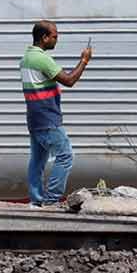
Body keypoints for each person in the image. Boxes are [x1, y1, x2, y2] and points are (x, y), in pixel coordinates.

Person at [20, 20, 92, 206]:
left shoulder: (26, 57)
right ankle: (51, 201)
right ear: (44, 37)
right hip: (47, 118)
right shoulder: (41, 59)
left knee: (37, 160)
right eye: (54, 37)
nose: (56, 40)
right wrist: (84, 61)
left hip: (34, 118)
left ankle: (36, 201)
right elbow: (69, 80)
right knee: (65, 156)